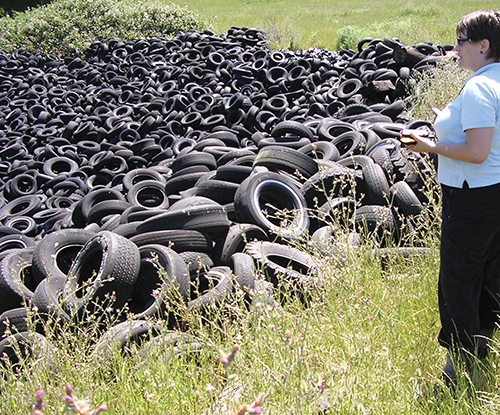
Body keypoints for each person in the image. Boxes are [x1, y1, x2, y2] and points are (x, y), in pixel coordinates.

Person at [407, 9, 500, 385]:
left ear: (484, 45)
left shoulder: (479, 87)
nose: (455, 48)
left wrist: (431, 146)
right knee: (490, 274)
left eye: (462, 41)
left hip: (471, 197)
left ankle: (459, 366)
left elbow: (477, 152)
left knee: (458, 280)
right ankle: (482, 348)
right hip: (494, 194)